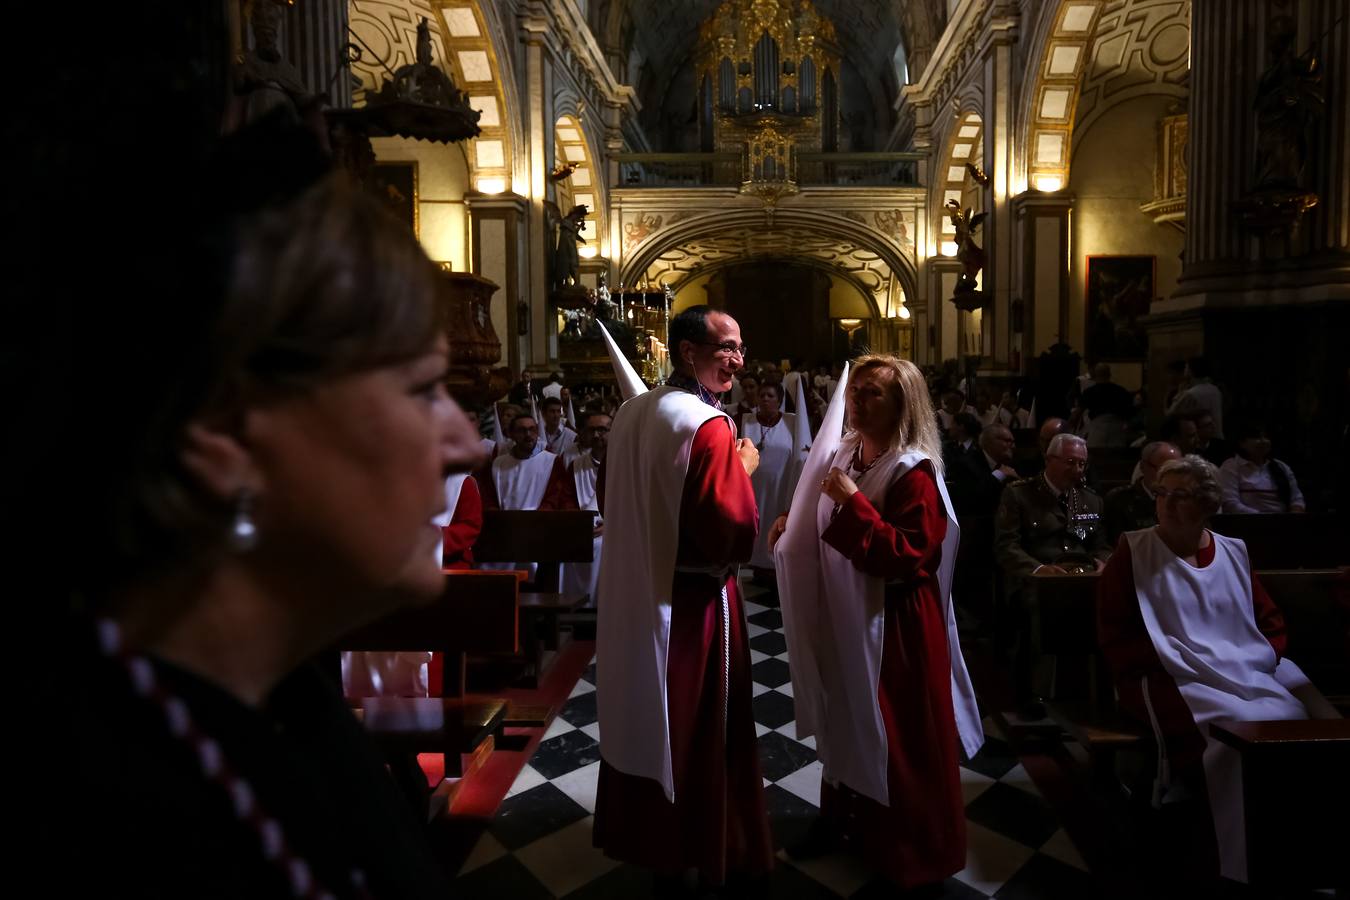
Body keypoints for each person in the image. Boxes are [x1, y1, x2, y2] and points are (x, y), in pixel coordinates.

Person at [50, 166, 479, 896]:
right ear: (223, 430)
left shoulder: (288, 714)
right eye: (423, 390)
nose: (468, 442)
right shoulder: (114, 806)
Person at [766, 355, 982, 891]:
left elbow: (910, 555)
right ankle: (843, 826)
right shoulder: (844, 450)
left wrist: (853, 504)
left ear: (902, 406)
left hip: (895, 629)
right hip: (847, 614)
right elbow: (820, 515)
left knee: (896, 735)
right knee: (846, 722)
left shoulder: (914, 472)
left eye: (873, 395)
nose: (857, 403)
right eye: (856, 391)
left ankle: (908, 851)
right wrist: (790, 524)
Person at [593, 305, 773, 893]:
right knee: (699, 724)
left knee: (648, 713)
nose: (737, 359)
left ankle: (651, 839)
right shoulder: (709, 427)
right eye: (725, 346)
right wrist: (744, 468)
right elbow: (732, 533)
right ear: (687, 352)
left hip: (636, 593)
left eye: (740, 347)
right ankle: (701, 843)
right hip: (696, 604)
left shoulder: (630, 413)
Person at [1097, 455, 1337, 882]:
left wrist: (1245, 658)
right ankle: (1229, 859)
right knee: (1233, 731)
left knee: (1287, 718)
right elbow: (1116, 631)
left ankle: (1290, 851)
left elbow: (1269, 623)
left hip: (1241, 672)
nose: (1168, 505)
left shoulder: (1232, 553)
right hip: (1170, 675)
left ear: (1208, 504)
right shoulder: (1134, 551)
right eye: (1162, 494)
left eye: (1182, 496)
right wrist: (1180, 660)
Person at [995, 432, 1111, 713]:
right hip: (1035, 579)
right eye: (1070, 462)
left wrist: (1103, 562)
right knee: (1043, 607)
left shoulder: (1090, 500)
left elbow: (1101, 545)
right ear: (1049, 459)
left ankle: (1094, 693)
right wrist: (1038, 569)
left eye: (1082, 464)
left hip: (1080, 578)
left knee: (1110, 607)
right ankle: (1038, 693)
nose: (1077, 470)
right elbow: (1006, 546)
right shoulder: (1020, 493)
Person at [540, 410, 611, 604]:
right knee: (566, 545)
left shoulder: (624, 465)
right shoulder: (576, 465)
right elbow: (566, 499)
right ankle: (571, 605)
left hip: (614, 530)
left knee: (603, 547)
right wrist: (579, 524)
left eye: (603, 430)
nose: (597, 435)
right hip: (582, 526)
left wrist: (610, 526)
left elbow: (632, 504)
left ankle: (600, 606)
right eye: (592, 430)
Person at [742, 381, 797, 576]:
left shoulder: (792, 422)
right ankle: (756, 564)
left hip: (781, 486)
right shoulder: (746, 421)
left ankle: (776, 566)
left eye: (770, 396)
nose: (765, 399)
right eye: (762, 395)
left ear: (780, 400)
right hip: (753, 487)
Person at [1104, 441, 1183, 543]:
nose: (1169, 477)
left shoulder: (1186, 500)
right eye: (1162, 470)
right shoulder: (1119, 500)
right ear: (1143, 466)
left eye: (1175, 471)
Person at [1219, 423, 1306, 513]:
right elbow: (1230, 503)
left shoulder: (1281, 467)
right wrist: (1262, 518)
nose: (1263, 441)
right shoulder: (1231, 466)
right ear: (1242, 443)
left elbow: (1297, 499)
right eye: (1256, 437)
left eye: (1266, 437)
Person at [483, 413, 555, 511]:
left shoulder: (552, 461)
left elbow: (555, 497)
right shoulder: (498, 464)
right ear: (511, 434)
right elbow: (489, 497)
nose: (528, 434)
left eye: (532, 429)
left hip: (540, 521)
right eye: (522, 430)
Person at [949, 423, 1019, 518]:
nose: (1013, 446)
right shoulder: (965, 464)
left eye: (1013, 442)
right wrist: (999, 475)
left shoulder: (1012, 465)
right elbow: (971, 500)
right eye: (1008, 441)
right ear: (989, 442)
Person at [1166, 357, 1224, 438]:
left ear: (1190, 371)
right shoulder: (1215, 389)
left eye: (1186, 367)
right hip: (1217, 436)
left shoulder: (1191, 394)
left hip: (1203, 440)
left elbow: (1171, 413)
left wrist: (1179, 393)